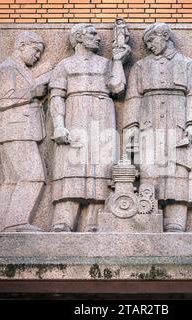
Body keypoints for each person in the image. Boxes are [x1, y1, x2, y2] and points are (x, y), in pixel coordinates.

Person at [123, 23, 192, 232]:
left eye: (152, 40)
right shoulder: (140, 66)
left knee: (178, 169)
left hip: (177, 123)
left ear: (165, 36)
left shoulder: (188, 64)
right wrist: (131, 127)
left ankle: (175, 222)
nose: (150, 45)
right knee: (149, 169)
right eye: (147, 42)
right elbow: (133, 97)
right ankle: (149, 217)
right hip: (148, 124)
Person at [49, 24, 130, 232]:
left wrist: (119, 61)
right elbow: (56, 96)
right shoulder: (64, 65)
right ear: (78, 38)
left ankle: (95, 222)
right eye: (92, 34)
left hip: (103, 116)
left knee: (101, 167)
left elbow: (118, 88)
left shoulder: (106, 63)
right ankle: (64, 221)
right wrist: (58, 125)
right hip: (75, 115)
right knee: (70, 167)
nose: (99, 38)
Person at [0, 31, 48, 232]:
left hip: (16, 130)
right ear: (22, 45)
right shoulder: (9, 68)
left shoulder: (19, 69)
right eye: (36, 51)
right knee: (33, 176)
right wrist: (32, 93)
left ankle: (5, 228)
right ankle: (17, 222)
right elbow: (3, 100)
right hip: (17, 130)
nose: (37, 56)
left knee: (10, 182)